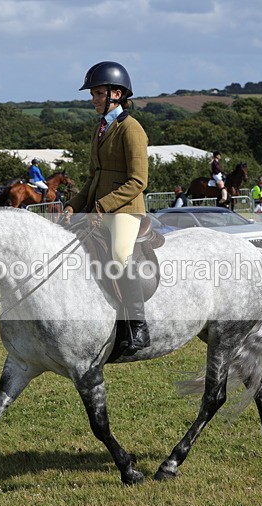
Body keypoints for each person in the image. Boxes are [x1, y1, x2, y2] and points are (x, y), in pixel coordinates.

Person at [63, 61, 150, 356]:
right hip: (97, 208)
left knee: (120, 256)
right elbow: (93, 177)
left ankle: (138, 326)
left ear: (117, 94)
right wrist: (73, 206)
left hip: (125, 209)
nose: (93, 99)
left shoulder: (131, 129)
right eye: (93, 94)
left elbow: (138, 181)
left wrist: (104, 205)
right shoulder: (100, 128)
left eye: (98, 93)